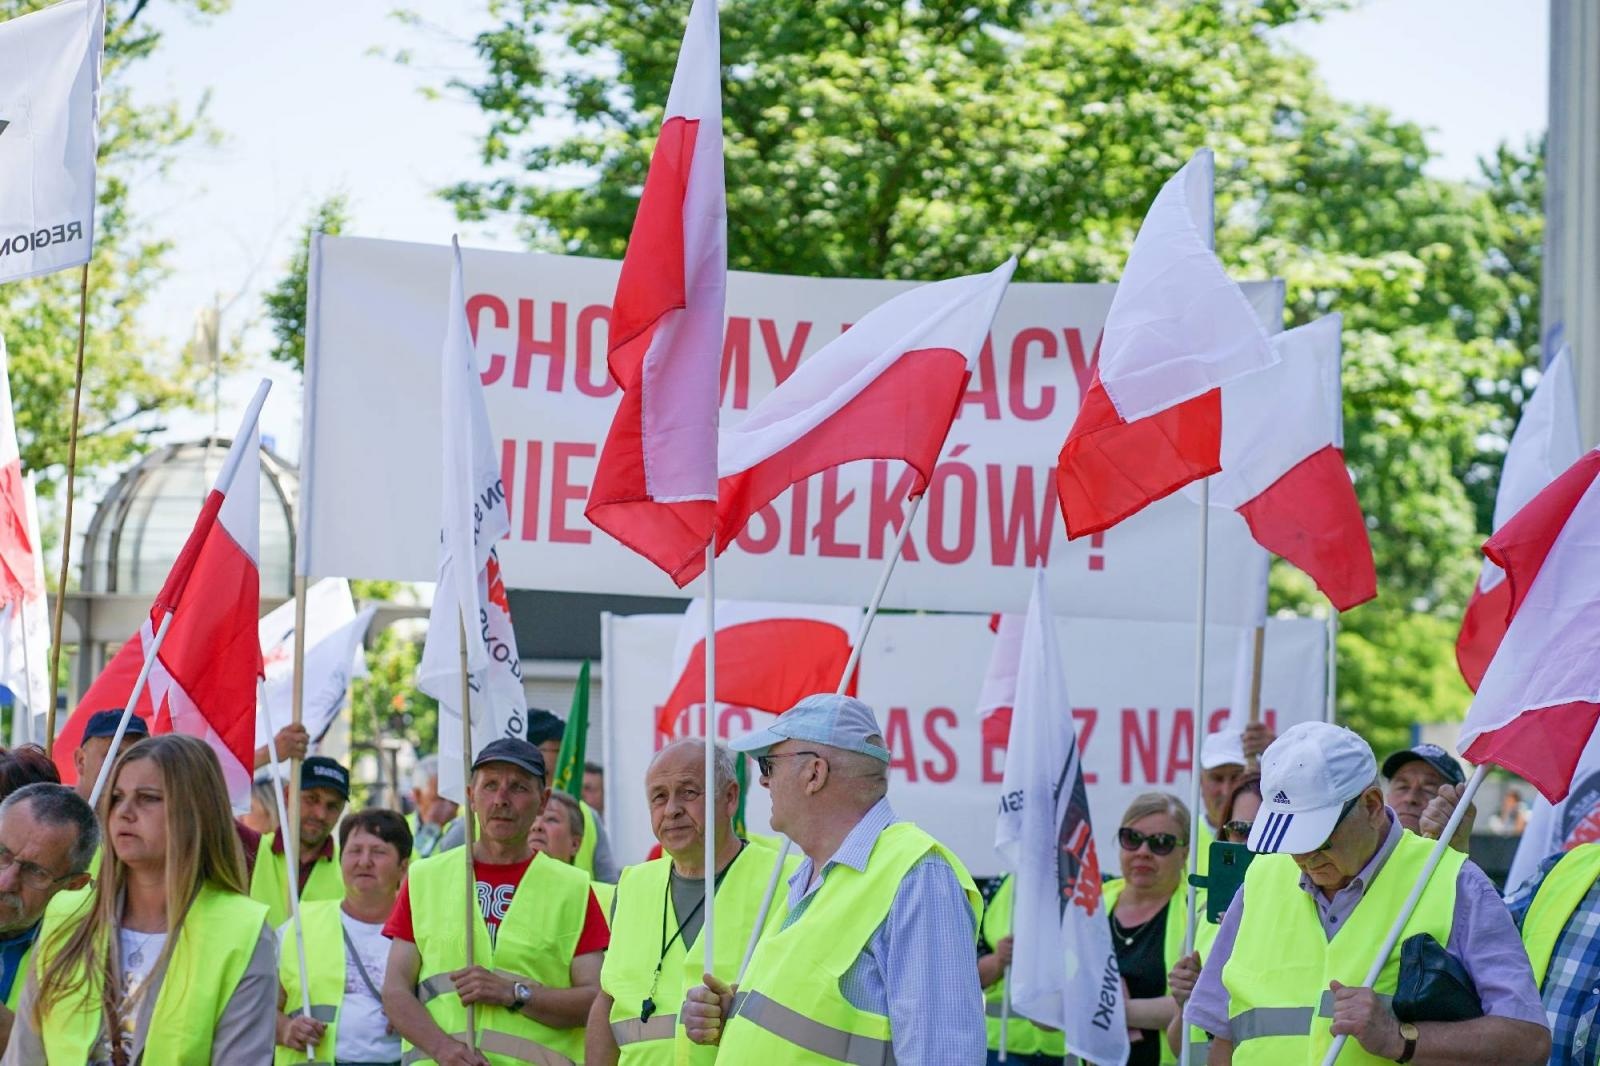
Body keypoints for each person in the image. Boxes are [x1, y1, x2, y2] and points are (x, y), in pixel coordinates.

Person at [1186, 721, 1550, 1065]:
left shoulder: (1453, 881)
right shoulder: (1261, 880)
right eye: (1288, 839)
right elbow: (1222, 1039)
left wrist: (1400, 1038)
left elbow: (1528, 1041)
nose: (1303, 858)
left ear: (1373, 806)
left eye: (1318, 839)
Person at [681, 693, 986, 1062]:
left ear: (814, 773)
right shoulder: (811, 876)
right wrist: (740, 1015)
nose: (763, 782)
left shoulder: (918, 876)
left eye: (768, 765)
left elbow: (943, 1055)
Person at [5, 733, 277, 1063]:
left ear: (195, 811)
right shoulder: (67, 911)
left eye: (147, 798)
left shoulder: (243, 931)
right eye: (117, 797)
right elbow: (24, 1055)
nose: (125, 811)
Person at [382, 737, 608, 1066]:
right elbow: (395, 991)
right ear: (471, 797)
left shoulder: (572, 888)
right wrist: (444, 1049)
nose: (501, 799)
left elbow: (595, 1000)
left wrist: (513, 993)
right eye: (490, 786)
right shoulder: (424, 878)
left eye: (517, 787)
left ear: (542, 801)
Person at [587, 738, 792, 1066]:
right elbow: (609, 1000)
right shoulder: (631, 885)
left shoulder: (787, 881)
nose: (671, 810)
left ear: (730, 798)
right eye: (659, 797)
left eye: (689, 792)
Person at [275, 808, 412, 1066]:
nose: (364, 861)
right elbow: (257, 1008)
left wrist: (417, 1013)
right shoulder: (301, 926)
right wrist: (286, 1029)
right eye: (354, 851)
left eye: (378, 852)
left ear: (403, 867)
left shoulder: (423, 933)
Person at [438, 710, 622, 883]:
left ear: (542, 800)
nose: (500, 801)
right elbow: (445, 876)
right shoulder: (469, 824)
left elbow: (608, 886)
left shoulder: (587, 815)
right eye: (559, 749)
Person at [0, 784, 97, 1050]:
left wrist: (13, 1037)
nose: (6, 882)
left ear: (75, 884)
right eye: (1, 854)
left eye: (35, 872)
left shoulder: (88, 959)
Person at [1106, 792, 1192, 1066]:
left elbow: (1193, 1003)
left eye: (1161, 843)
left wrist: (1109, 1009)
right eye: (1132, 838)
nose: (1143, 852)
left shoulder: (1198, 911)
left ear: (1185, 852)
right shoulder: (1091, 905)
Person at [251, 754, 349, 928]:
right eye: (312, 799)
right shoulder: (250, 851)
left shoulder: (351, 869)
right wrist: (269, 753)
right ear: (288, 794)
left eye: (332, 806)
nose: (321, 814)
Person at [977, 873, 1065, 1065]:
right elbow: (965, 975)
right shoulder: (994, 888)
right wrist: (999, 960)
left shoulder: (1089, 885)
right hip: (1003, 1047)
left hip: (1065, 1046)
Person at [1195, 724, 1272, 875]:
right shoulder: (1182, 839)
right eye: (1217, 778)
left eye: (1237, 777)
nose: (1226, 790)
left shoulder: (1283, 844)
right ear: (1199, 781)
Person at [531, 789, 615, 914]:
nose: (537, 826)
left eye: (551, 819)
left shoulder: (606, 900)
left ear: (575, 844)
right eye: (532, 818)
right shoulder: (501, 892)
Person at [1384, 743, 1473, 851]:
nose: (1410, 798)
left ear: (1455, 803)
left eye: (1428, 790)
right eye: (1402, 787)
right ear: (1387, 796)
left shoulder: (1459, 864)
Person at [72, 708, 149, 801]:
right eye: (115, 755)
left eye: (135, 757)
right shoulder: (52, 812)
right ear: (81, 760)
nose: (125, 767)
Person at [408, 754, 459, 859]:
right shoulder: (400, 829)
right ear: (417, 795)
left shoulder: (469, 826)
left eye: (454, 799)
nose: (450, 807)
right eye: (440, 799)